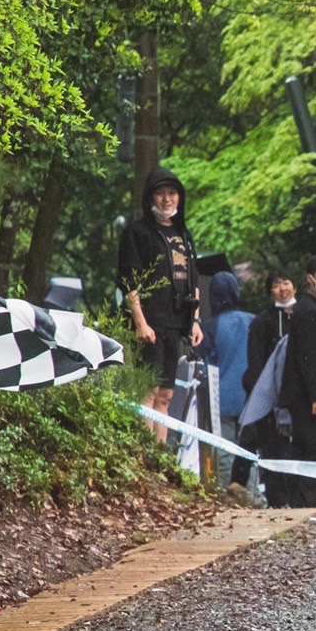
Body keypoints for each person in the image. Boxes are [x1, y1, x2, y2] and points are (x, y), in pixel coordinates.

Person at [117, 167, 203, 440]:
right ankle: (143, 455)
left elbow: (194, 281)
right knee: (147, 390)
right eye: (160, 193)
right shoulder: (137, 232)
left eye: (172, 193)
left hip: (175, 325)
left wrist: (196, 321)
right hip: (149, 324)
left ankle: (159, 456)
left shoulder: (184, 235)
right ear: (150, 198)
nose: (167, 199)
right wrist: (140, 322)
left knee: (166, 394)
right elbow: (128, 281)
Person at [280, 260, 316, 508]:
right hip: (308, 399)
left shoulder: (308, 309)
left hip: (304, 396)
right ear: (310, 278)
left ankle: (298, 502)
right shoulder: (309, 311)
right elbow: (309, 357)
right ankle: (305, 503)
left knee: (302, 450)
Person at [199, 271, 255, 500]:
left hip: (220, 400)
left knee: (224, 452)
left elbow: (205, 364)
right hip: (251, 400)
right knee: (249, 452)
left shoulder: (209, 327)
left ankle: (226, 498)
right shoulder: (253, 320)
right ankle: (249, 496)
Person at [244, 272, 298, 508]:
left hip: (298, 399)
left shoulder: (306, 316)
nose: (282, 288)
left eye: (286, 283)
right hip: (271, 398)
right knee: (273, 449)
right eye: (276, 285)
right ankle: (277, 501)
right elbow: (255, 362)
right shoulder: (262, 321)